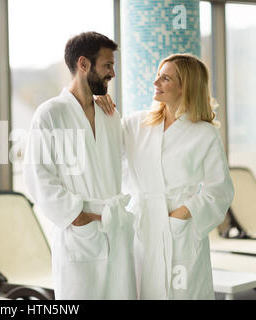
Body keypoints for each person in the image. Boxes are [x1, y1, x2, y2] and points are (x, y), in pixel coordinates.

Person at [96, 53, 234, 299]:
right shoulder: (136, 124)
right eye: (158, 76)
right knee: (142, 290)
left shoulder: (204, 133)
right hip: (142, 226)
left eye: (165, 78)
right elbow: (106, 150)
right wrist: (99, 105)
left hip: (180, 230)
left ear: (185, 86)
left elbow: (220, 190)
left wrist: (181, 214)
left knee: (181, 293)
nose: (156, 83)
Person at [22, 31, 136, 300]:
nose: (112, 73)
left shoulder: (110, 114)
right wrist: (78, 215)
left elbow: (124, 164)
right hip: (80, 233)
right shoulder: (51, 114)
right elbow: (38, 176)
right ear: (83, 64)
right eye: (107, 65)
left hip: (116, 229)